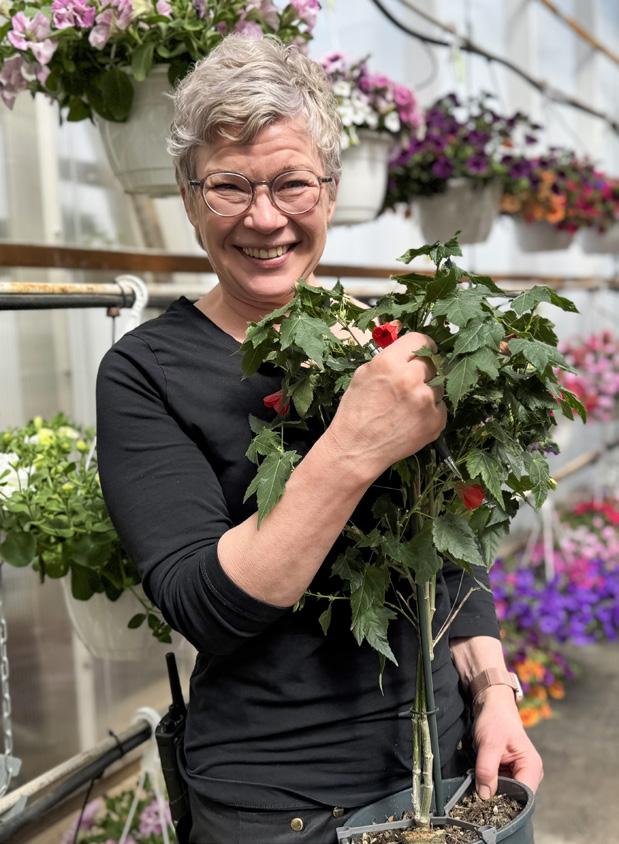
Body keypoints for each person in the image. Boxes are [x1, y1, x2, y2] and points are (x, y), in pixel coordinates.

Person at [96, 35, 543, 844]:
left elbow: (452, 544)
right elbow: (205, 606)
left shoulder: (385, 342)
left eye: (291, 182)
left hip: (445, 772)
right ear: (190, 199)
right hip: (280, 806)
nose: (264, 217)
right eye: (228, 186)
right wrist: (353, 445)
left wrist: (492, 690)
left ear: (330, 191)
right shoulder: (145, 372)